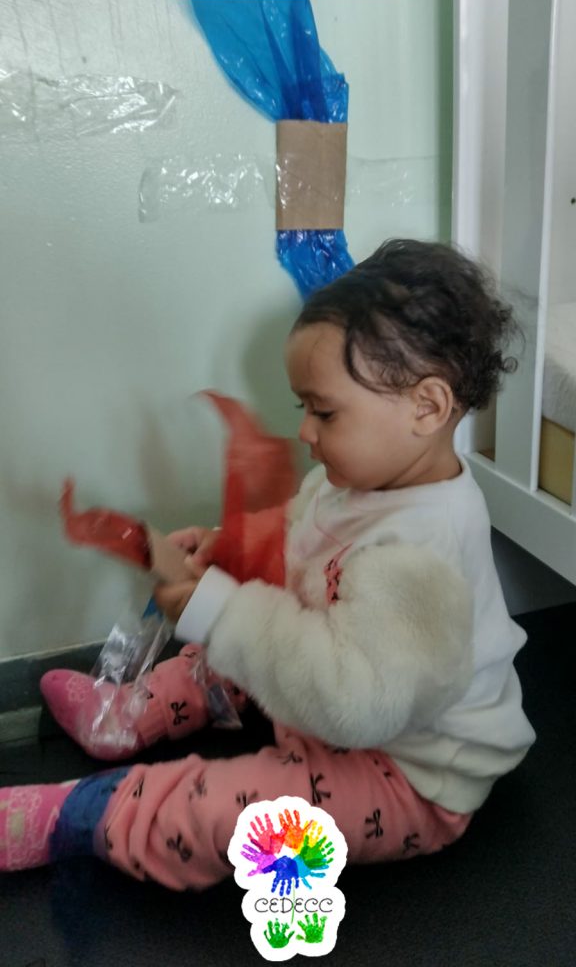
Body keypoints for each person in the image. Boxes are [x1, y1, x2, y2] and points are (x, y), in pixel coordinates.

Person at [0, 239, 535, 887]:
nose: (305, 431)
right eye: (303, 407)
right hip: (332, 684)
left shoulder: (424, 559)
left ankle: (82, 816)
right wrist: (224, 546)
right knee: (232, 641)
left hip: (403, 770)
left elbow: (352, 704)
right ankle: (128, 714)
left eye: (324, 412)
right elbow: (299, 531)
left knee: (238, 810)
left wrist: (220, 611)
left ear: (427, 407)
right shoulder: (360, 478)